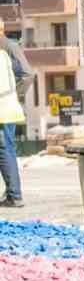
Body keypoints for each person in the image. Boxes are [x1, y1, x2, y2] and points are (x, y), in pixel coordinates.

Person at [0, 35, 30, 209]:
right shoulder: (4, 54)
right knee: (6, 150)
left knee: (5, 151)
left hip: (3, 110)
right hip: (8, 108)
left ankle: (14, 195)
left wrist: (17, 95)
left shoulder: (8, 48)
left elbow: (27, 75)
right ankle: (13, 193)